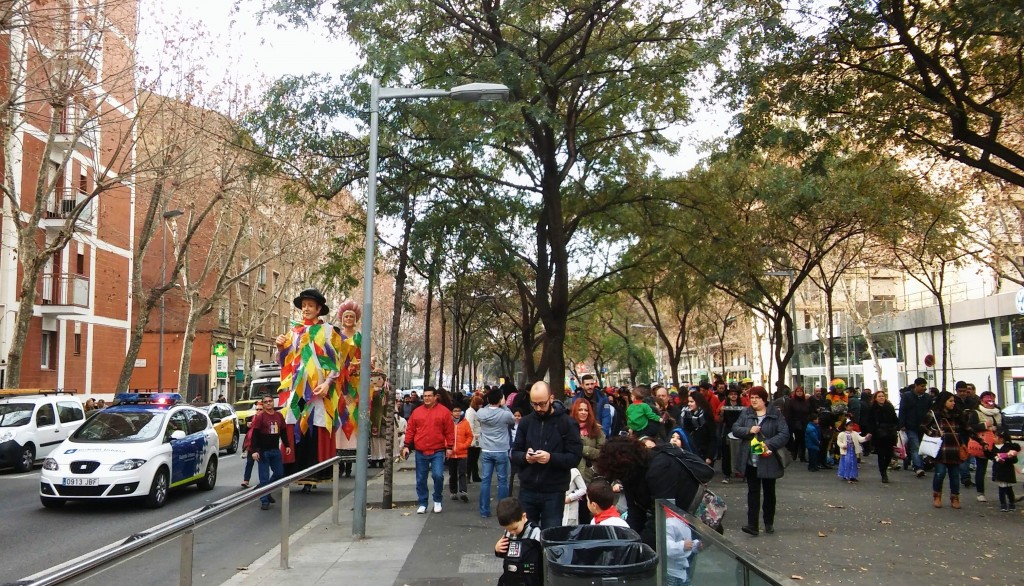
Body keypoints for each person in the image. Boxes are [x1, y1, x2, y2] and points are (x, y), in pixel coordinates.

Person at [276, 289, 347, 484]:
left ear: (318, 309)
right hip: (299, 391)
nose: (306, 309)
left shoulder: (329, 332)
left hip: (319, 391)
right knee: (295, 423)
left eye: (310, 305)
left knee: (318, 424)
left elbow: (337, 363)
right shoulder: (294, 332)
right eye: (304, 305)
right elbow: (285, 363)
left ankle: (317, 472)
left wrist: (327, 383)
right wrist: (280, 348)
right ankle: (294, 471)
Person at [593, 435, 709, 548]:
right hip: (671, 519)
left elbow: (661, 518)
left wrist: (640, 549)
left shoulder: (659, 467)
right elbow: (635, 512)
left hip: (692, 519)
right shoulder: (630, 473)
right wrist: (628, 543)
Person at [510, 381, 583, 529]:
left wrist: (551, 458)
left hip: (554, 490)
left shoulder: (567, 423)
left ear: (551, 398)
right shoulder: (526, 422)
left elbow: (574, 457)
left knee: (551, 534)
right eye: (534, 404)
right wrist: (525, 457)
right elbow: (514, 453)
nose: (538, 408)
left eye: (542, 404)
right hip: (528, 488)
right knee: (526, 533)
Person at [732, 386, 789, 536]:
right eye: (752, 397)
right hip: (751, 460)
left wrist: (767, 444)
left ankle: (768, 522)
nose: (754, 400)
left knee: (769, 492)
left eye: (757, 398)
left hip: (768, 459)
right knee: (753, 492)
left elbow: (784, 434)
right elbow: (735, 428)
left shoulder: (775, 414)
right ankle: (752, 525)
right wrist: (748, 430)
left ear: (764, 399)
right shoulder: (746, 413)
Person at [401, 387, 455, 514]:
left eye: (430, 395)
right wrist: (406, 445)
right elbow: (410, 430)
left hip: (438, 450)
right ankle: (422, 502)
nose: (427, 398)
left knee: (438, 475)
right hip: (421, 450)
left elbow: (449, 431)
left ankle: (437, 499)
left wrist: (450, 447)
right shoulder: (417, 412)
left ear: (435, 397)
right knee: (421, 478)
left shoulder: (444, 412)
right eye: (425, 396)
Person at [924, 390, 968, 509]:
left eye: (954, 401)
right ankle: (937, 496)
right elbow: (923, 426)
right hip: (940, 449)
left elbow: (966, 428)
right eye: (950, 401)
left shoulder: (957, 415)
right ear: (943, 402)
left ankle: (955, 497)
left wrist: (979, 440)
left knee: (955, 476)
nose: (953, 403)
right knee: (940, 473)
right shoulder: (934, 414)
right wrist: (934, 433)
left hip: (954, 448)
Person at [477, 388, 516, 518]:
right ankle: (503, 511)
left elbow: (484, 410)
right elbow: (512, 420)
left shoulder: (481, 412)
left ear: (488, 399)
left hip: (486, 450)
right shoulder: (504, 414)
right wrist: (503, 405)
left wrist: (492, 402)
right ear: (500, 399)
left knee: (485, 481)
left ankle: (484, 510)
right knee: (502, 481)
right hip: (501, 449)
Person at [250, 395, 292, 510]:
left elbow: (283, 431)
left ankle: (266, 490)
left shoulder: (279, 416)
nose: (268, 403)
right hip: (263, 451)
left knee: (279, 474)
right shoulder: (260, 417)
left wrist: (287, 445)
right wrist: (254, 451)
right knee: (264, 477)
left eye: (270, 401)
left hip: (275, 450)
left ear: (273, 402)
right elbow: (255, 435)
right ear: (263, 404)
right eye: (265, 402)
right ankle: (264, 500)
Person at [570, 397, 605, 524]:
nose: (583, 412)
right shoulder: (568, 427)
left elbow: (603, 452)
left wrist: (582, 449)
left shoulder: (596, 429)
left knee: (587, 512)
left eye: (586, 410)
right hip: (572, 475)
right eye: (580, 410)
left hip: (590, 476)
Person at [494, 497, 543, 586]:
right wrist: (498, 549)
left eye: (515, 528)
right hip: (510, 578)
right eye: (508, 529)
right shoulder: (508, 533)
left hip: (530, 579)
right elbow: (505, 552)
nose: (512, 532)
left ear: (523, 517)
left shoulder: (535, 533)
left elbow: (544, 556)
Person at [968, 391, 1002, 502]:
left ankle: (1005, 492)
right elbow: (971, 427)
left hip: (997, 443)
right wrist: (984, 426)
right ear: (982, 401)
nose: (990, 402)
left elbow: (1003, 426)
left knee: (1001, 466)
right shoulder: (976, 412)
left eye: (992, 400)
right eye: (987, 400)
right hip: (983, 443)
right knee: (981, 468)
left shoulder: (998, 412)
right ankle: (980, 493)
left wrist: (998, 430)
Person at [898, 377, 933, 477]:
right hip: (910, 426)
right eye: (922, 386)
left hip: (923, 427)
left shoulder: (927, 397)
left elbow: (931, 411)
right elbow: (902, 410)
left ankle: (919, 464)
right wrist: (902, 424)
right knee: (915, 446)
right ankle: (918, 467)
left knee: (922, 446)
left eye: (925, 386)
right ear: (916, 386)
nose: (924, 388)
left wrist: (929, 424)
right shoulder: (907, 396)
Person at [862, 390, 899, 483]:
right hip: (878, 434)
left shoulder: (889, 406)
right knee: (881, 454)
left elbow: (895, 418)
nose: (881, 398)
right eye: (879, 396)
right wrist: (870, 432)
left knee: (889, 455)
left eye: (882, 396)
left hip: (890, 434)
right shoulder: (872, 408)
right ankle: (883, 474)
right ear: (875, 398)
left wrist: (898, 426)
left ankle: (885, 468)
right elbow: (869, 421)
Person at [984, 428, 1019, 512]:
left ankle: (1011, 503)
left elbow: (1015, 460)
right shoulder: (993, 447)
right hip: (998, 471)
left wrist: (1008, 458)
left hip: (1007, 471)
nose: (994, 438)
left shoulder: (1009, 447)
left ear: (1001, 439)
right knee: (1001, 489)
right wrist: (986, 451)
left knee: (1009, 489)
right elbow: (991, 456)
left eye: (996, 437)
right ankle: (1003, 504)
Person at [682, 391, 715, 466]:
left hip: (704, 453)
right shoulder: (686, 415)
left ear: (698, 402)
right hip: (690, 451)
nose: (689, 404)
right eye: (688, 401)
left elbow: (712, 437)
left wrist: (709, 456)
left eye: (691, 402)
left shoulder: (706, 415)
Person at [448, 405, 473, 503]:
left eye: (459, 411)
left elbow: (469, 436)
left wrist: (464, 445)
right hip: (451, 453)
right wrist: (447, 446)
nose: (457, 413)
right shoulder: (448, 422)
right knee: (452, 473)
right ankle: (453, 491)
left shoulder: (465, 422)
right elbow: (444, 435)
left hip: (462, 452)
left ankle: (463, 491)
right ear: (452, 412)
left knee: (462, 472)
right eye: (455, 411)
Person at [719, 387, 744, 482]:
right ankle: (727, 474)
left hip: (739, 430)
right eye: (731, 394)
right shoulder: (724, 405)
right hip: (728, 430)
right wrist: (721, 413)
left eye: (735, 394)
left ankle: (742, 472)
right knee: (726, 453)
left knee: (741, 451)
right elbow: (720, 420)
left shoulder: (742, 406)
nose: (733, 396)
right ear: (728, 396)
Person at [782, 386, 812, 463]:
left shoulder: (806, 401)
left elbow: (809, 411)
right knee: (798, 438)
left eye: (801, 391)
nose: (799, 393)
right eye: (797, 391)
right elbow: (788, 414)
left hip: (804, 422)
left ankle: (801, 455)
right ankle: (796, 453)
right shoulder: (791, 401)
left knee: (803, 439)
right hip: (795, 422)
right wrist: (789, 423)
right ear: (795, 392)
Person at [240, 398, 263, 488]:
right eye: (257, 409)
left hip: (261, 444)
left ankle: (263, 481)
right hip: (251, 444)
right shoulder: (251, 418)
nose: (258, 411)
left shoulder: (265, 418)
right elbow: (245, 431)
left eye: (260, 409)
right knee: (249, 462)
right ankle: (246, 480)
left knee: (262, 464)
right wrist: (247, 426)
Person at [466, 394, 483, 483]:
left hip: (476, 437)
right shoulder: (471, 413)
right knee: (472, 458)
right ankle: (469, 476)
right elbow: (470, 426)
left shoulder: (472, 411)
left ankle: (474, 475)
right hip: (474, 438)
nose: (481, 406)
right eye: (480, 404)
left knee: (474, 457)